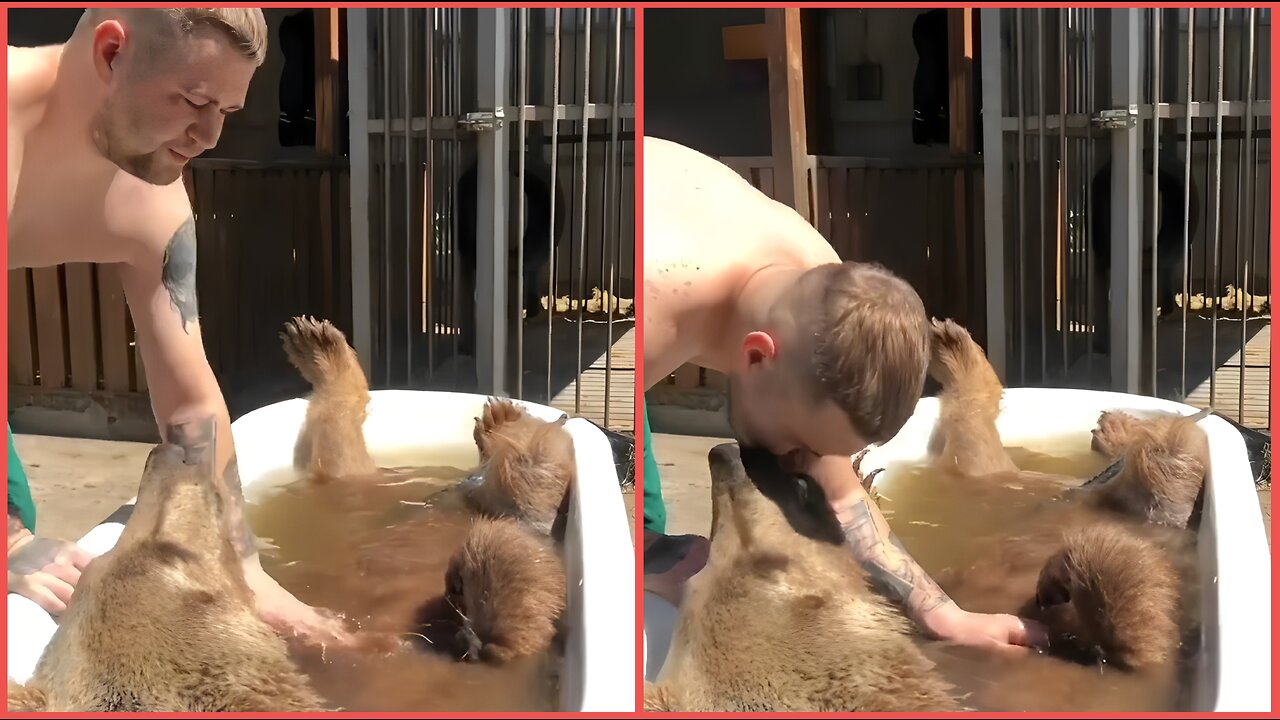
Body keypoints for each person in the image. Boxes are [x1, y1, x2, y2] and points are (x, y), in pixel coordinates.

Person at [7, 8, 350, 646]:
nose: (210, 135)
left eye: (227, 110)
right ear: (111, 54)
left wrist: (243, 566)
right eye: (195, 100)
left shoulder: (153, 199)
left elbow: (190, 400)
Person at [641, 136, 1047, 651]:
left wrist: (947, 616)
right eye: (799, 445)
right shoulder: (648, 312)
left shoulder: (821, 287)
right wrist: (634, 562)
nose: (797, 466)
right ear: (756, 356)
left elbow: (841, 495)